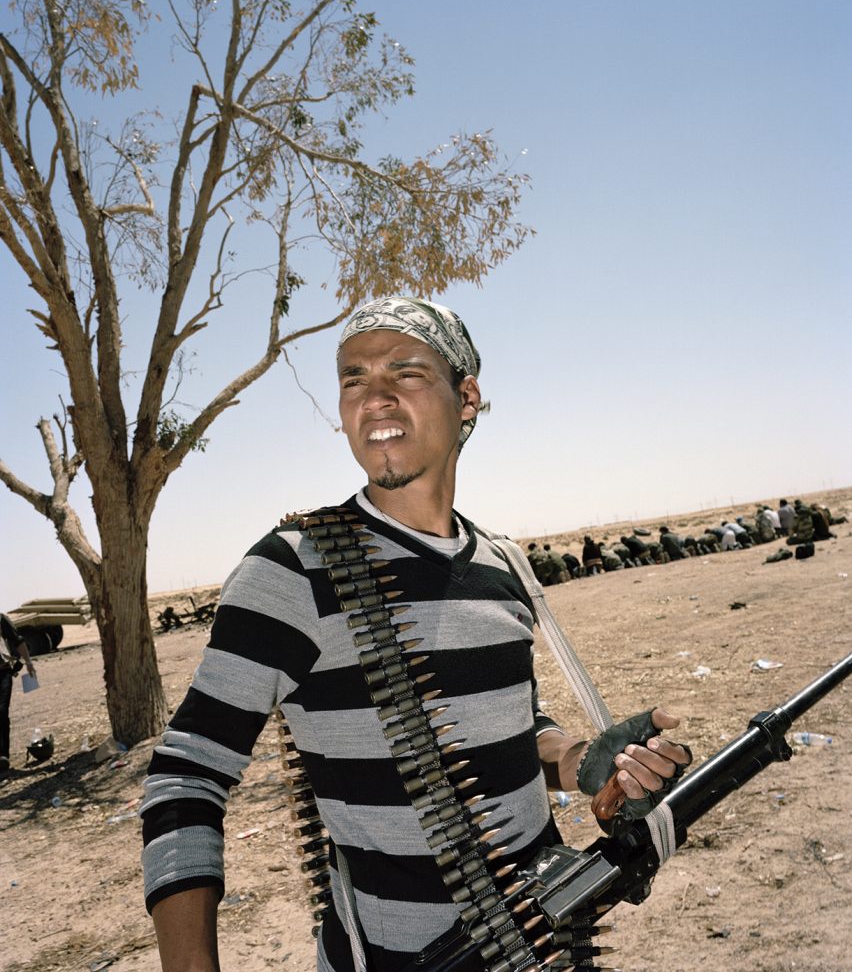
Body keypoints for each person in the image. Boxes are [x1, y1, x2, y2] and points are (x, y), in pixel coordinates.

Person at [142, 297, 691, 972]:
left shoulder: (504, 564)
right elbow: (186, 776)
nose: (374, 397)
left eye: (405, 373)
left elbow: (513, 723)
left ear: (467, 398)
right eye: (353, 379)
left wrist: (583, 763)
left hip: (543, 945)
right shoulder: (293, 570)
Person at [0, 612, 36, 772]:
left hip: (2, 672)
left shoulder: (1, 619)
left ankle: (3, 755)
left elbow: (17, 640)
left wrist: (28, 662)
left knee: (1, 711)